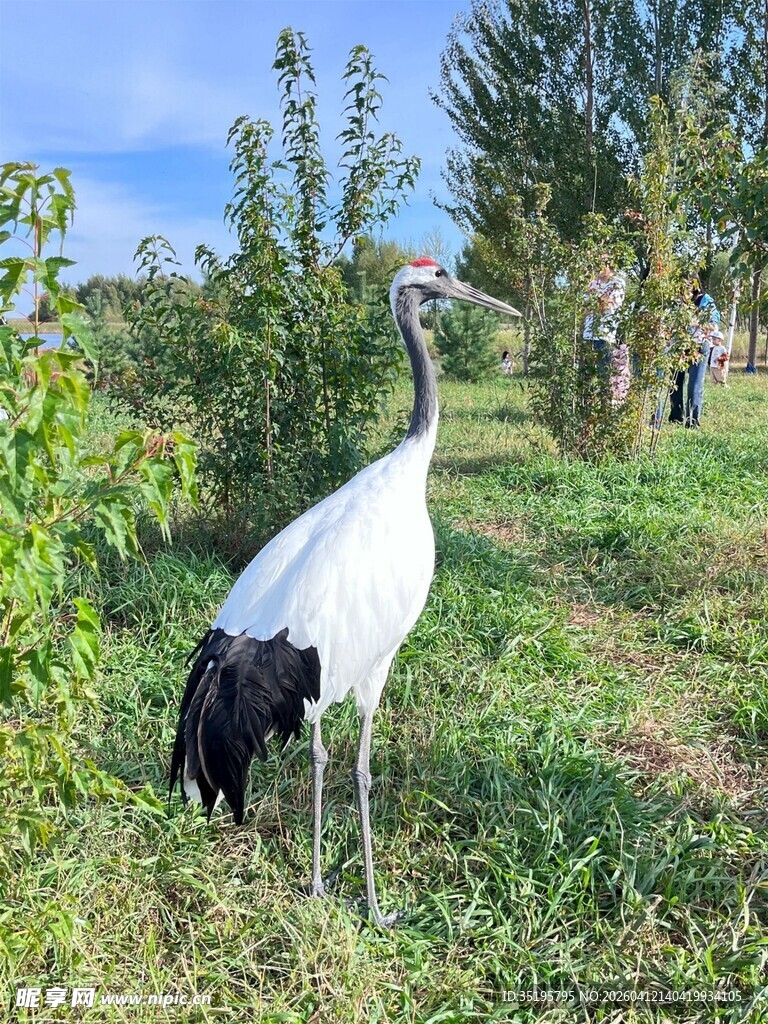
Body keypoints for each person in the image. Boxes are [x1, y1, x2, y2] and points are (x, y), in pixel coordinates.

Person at [669, 279, 720, 428]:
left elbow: (714, 324)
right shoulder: (675, 301)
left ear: (695, 285)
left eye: (689, 284)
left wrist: (693, 323)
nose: (685, 287)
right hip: (678, 345)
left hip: (699, 346)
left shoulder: (706, 300)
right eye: (682, 284)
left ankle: (692, 421)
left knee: (695, 384)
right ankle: (676, 417)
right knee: (675, 382)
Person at [583, 256, 628, 406]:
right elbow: (584, 308)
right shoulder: (591, 283)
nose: (598, 267)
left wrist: (595, 304)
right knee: (585, 376)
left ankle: (604, 408)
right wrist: (600, 301)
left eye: (602, 263)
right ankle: (586, 408)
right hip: (588, 334)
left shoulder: (617, 283)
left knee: (604, 376)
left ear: (610, 264)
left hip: (605, 335)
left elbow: (608, 306)